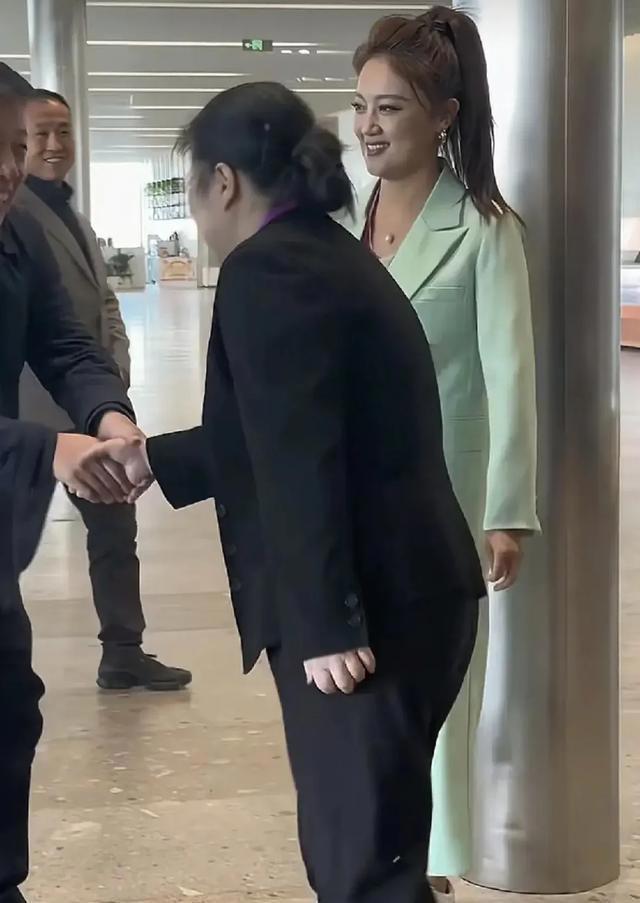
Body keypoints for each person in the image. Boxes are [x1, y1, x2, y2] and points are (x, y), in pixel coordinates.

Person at [103, 81, 485, 903]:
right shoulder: (319, 253)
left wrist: (325, 621)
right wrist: (154, 461)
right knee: (372, 852)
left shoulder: (267, 271)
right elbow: (275, 425)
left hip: (371, 613)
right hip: (413, 595)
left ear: (223, 183)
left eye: (195, 187)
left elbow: (304, 453)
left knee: (361, 869)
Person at [350, 7, 539, 898]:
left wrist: (507, 512)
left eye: (390, 107)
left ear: (445, 116)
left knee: (437, 689)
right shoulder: (348, 222)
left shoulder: (485, 230)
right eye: (361, 106)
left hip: (445, 500)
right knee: (360, 680)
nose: (369, 126)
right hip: (352, 496)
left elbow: (510, 374)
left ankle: (428, 864)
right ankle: (377, 843)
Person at [0, 63, 147, 903]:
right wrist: (47, 448)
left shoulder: (18, 232)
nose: (10, 168)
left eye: (14, 148)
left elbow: (63, 341)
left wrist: (108, 416)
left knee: (11, 704)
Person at [16, 88, 191, 692]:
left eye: (62, 131)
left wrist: (111, 390)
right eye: (36, 134)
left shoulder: (65, 215)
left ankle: (123, 649)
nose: (51, 146)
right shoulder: (20, 215)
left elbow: (93, 312)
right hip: (32, 418)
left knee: (115, 531)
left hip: (87, 409)